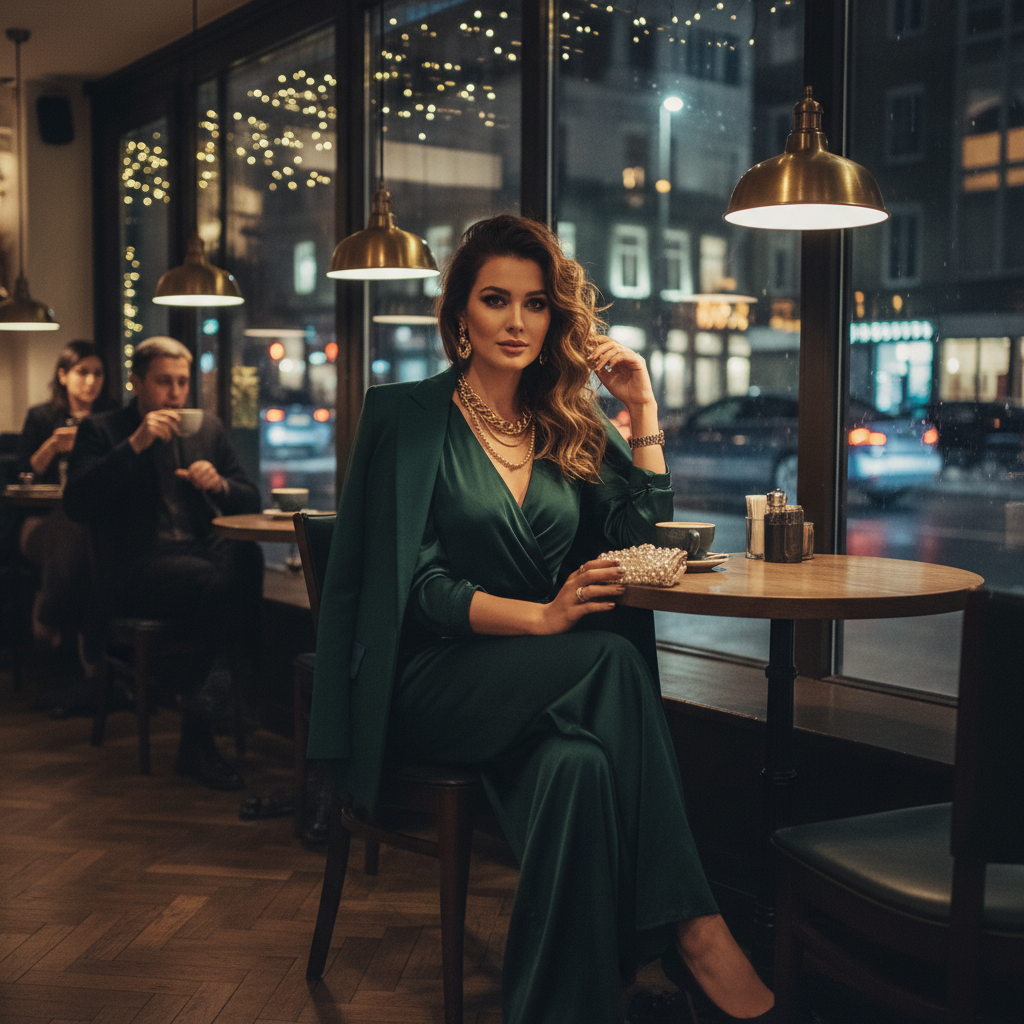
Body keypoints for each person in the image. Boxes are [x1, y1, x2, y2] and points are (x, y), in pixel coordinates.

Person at [307, 216, 775, 1023]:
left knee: (580, 773)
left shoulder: (569, 421)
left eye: (534, 304)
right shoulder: (404, 417)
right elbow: (417, 589)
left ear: (555, 319)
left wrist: (642, 410)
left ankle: (567, 1006)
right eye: (496, 300)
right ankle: (694, 929)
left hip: (537, 687)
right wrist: (543, 618)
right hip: (432, 681)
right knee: (609, 660)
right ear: (461, 316)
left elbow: (640, 545)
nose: (517, 321)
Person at [63, 336, 263, 791]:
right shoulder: (104, 430)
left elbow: (251, 496)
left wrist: (220, 486)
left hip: (196, 558)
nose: (175, 394)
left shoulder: (205, 428)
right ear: (136, 382)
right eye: (163, 382)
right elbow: (77, 502)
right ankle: (220, 711)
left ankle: (205, 716)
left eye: (182, 382)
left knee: (244, 559)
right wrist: (135, 444)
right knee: (221, 581)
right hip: (133, 568)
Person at [16, 340, 115, 658]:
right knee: (73, 525)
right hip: (40, 522)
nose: (91, 381)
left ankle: (49, 612)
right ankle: (92, 660)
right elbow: (21, 476)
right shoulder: (42, 417)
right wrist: (51, 447)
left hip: (95, 524)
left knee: (82, 528)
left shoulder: (111, 418)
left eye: (98, 373)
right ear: (63, 375)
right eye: (82, 372)